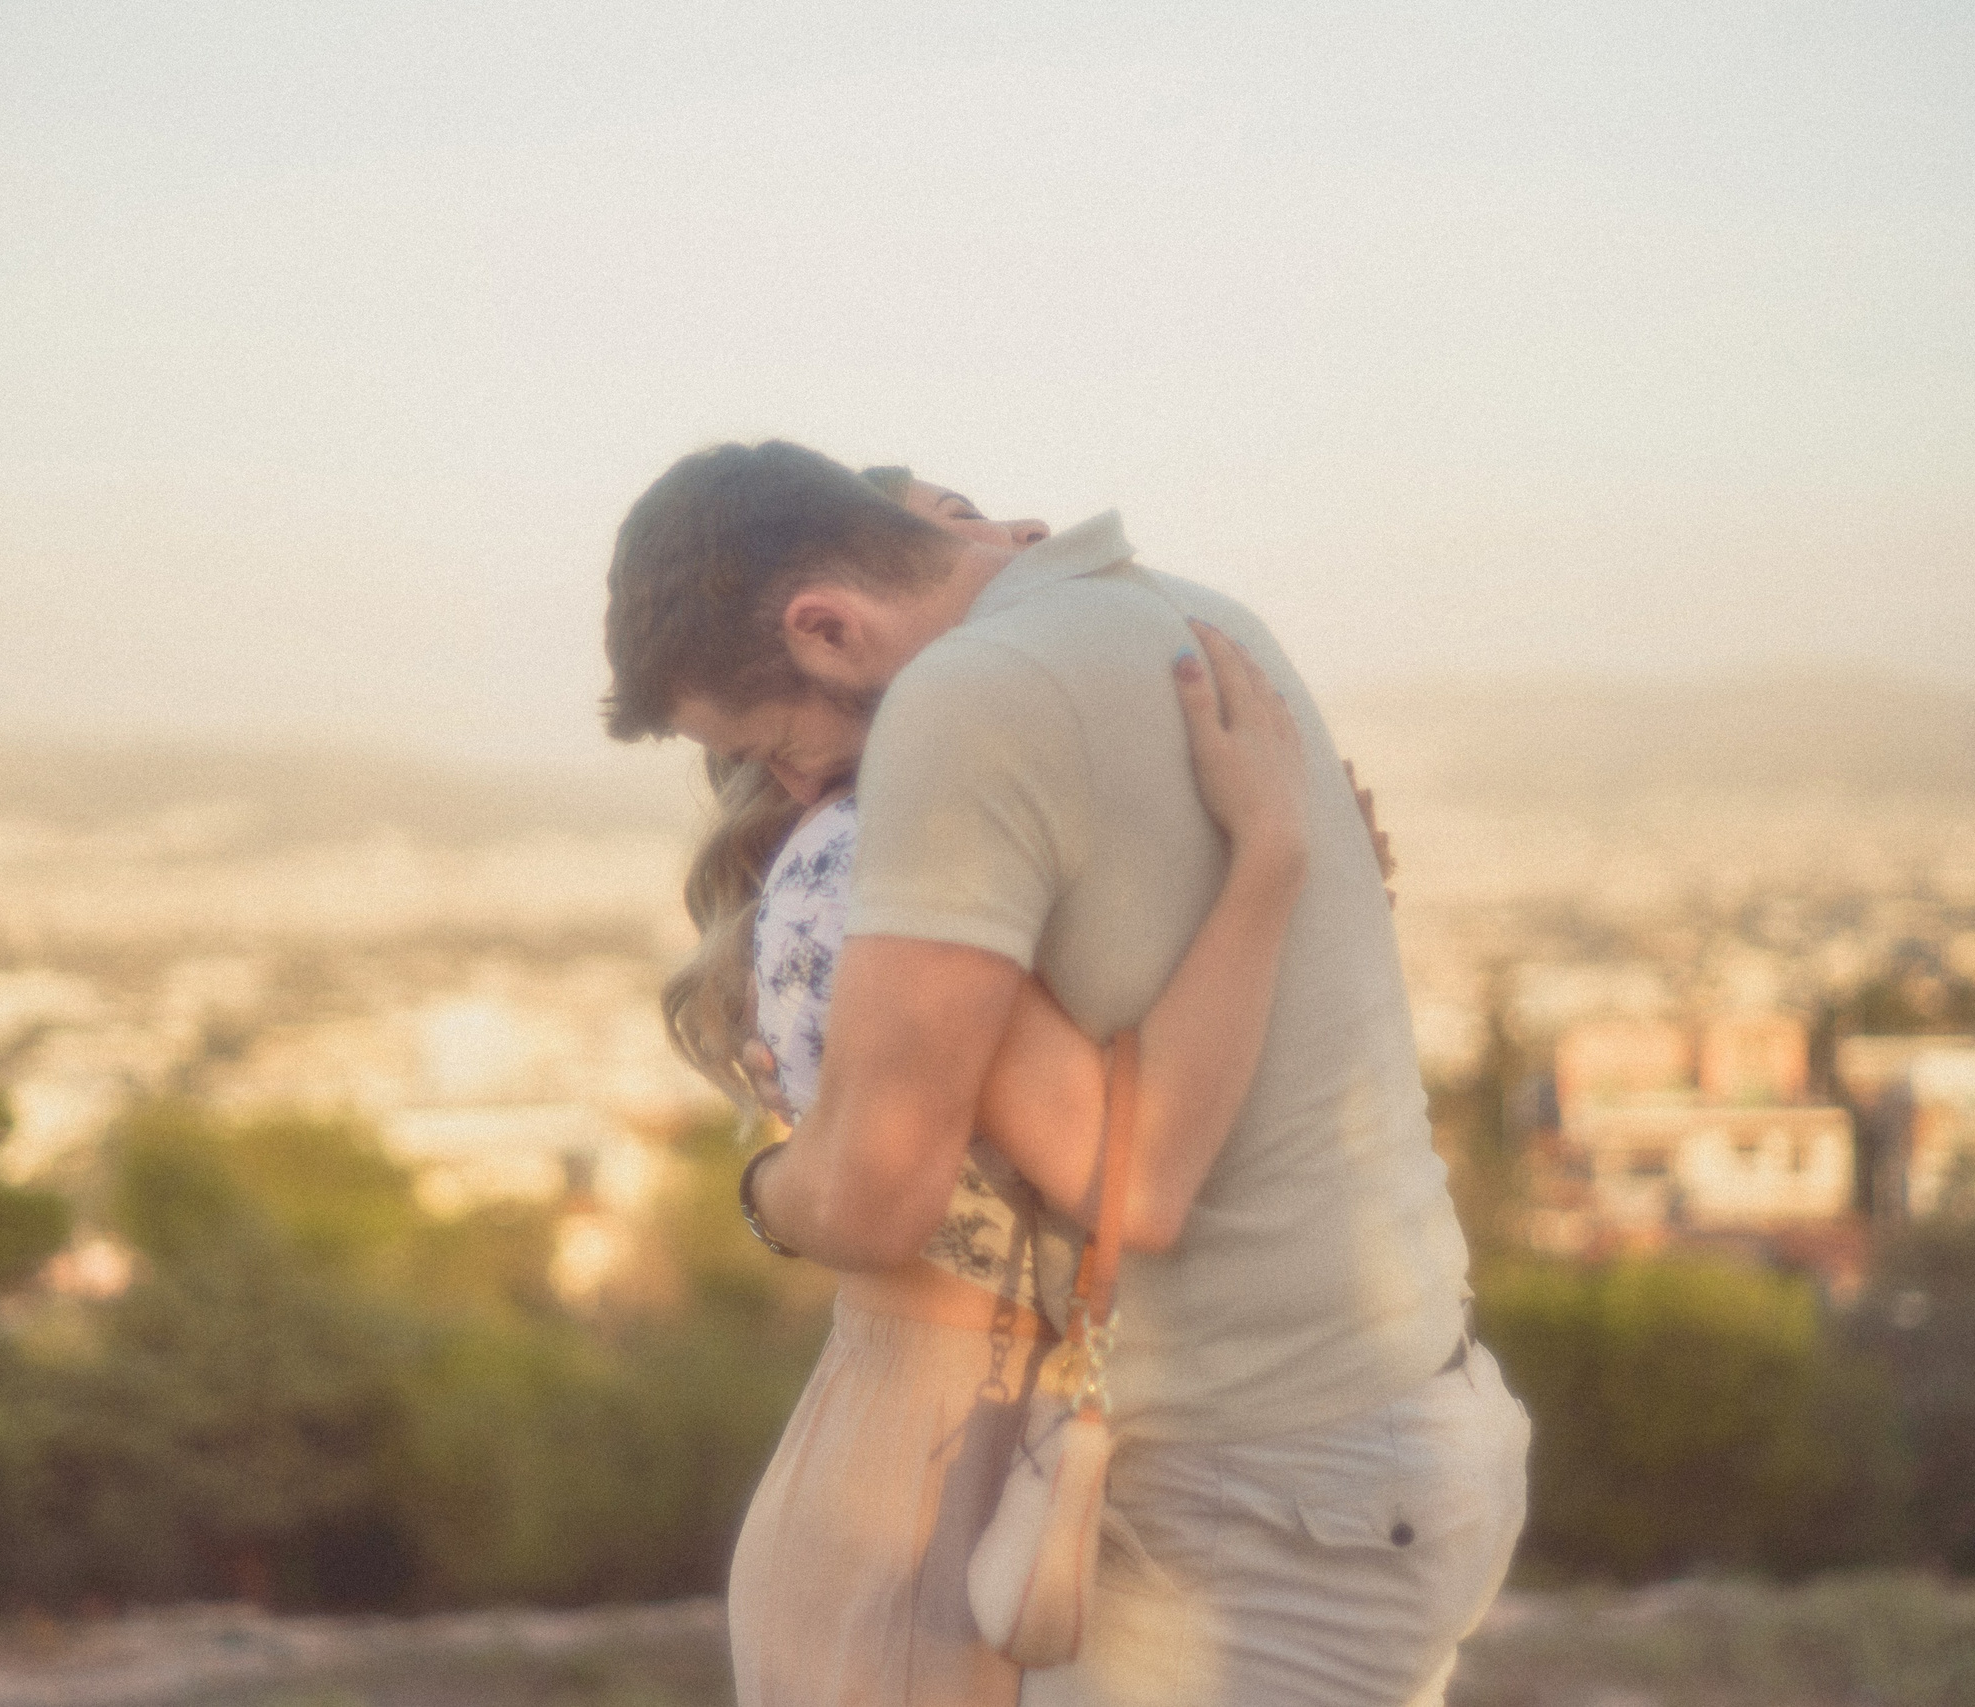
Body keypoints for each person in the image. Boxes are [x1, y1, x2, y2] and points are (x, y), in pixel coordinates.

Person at [605, 442, 1529, 1707]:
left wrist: (769, 1186)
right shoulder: (1193, 625)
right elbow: (1136, 1149)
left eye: (777, 736)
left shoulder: (980, 710)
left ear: (827, 625)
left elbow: (1119, 1166)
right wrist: (1270, 860)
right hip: (1224, 1449)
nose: (1010, 535)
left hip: (1216, 1483)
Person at [663, 467, 1319, 1705]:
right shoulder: (888, 857)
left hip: (938, 1463)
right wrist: (1273, 862)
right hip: (917, 1507)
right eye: (951, 535)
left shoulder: (937, 846)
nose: (1009, 551)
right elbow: (1144, 1186)